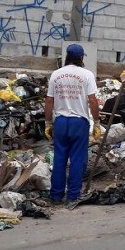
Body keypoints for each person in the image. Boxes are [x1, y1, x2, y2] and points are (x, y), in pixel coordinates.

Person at [44, 44, 101, 209]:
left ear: (66, 56)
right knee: (77, 160)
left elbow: (49, 100)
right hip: (79, 122)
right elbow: (92, 100)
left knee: (60, 159)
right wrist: (96, 122)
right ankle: (73, 196)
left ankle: (55, 196)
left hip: (60, 121)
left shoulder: (56, 74)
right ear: (82, 58)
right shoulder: (87, 75)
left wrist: (48, 122)